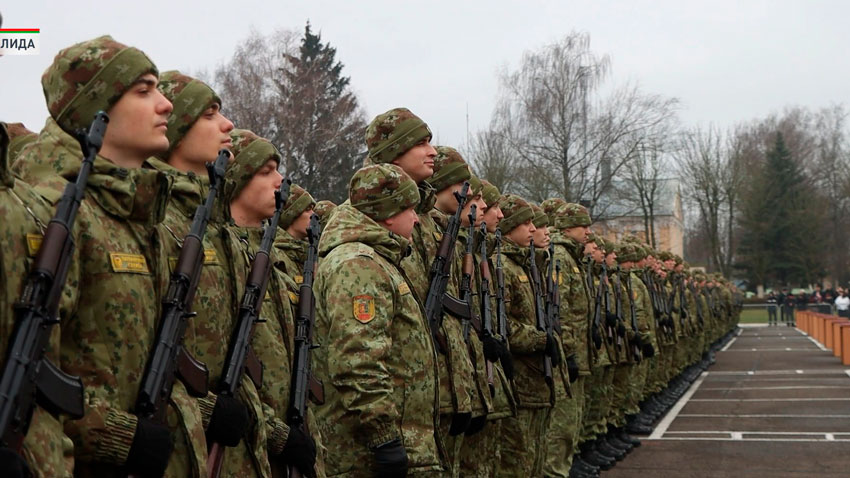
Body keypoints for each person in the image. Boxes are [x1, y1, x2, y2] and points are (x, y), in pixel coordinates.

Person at [14, 35, 207, 477]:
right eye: (143, 91)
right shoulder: (54, 211)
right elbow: (28, 371)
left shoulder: (136, 219)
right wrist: (117, 434)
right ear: (94, 110)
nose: (165, 106)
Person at [313, 163, 441, 477]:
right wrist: (384, 438)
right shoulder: (359, 264)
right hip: (367, 454)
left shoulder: (377, 258)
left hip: (399, 440)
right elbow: (358, 360)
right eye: (409, 209)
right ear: (387, 214)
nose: (415, 217)